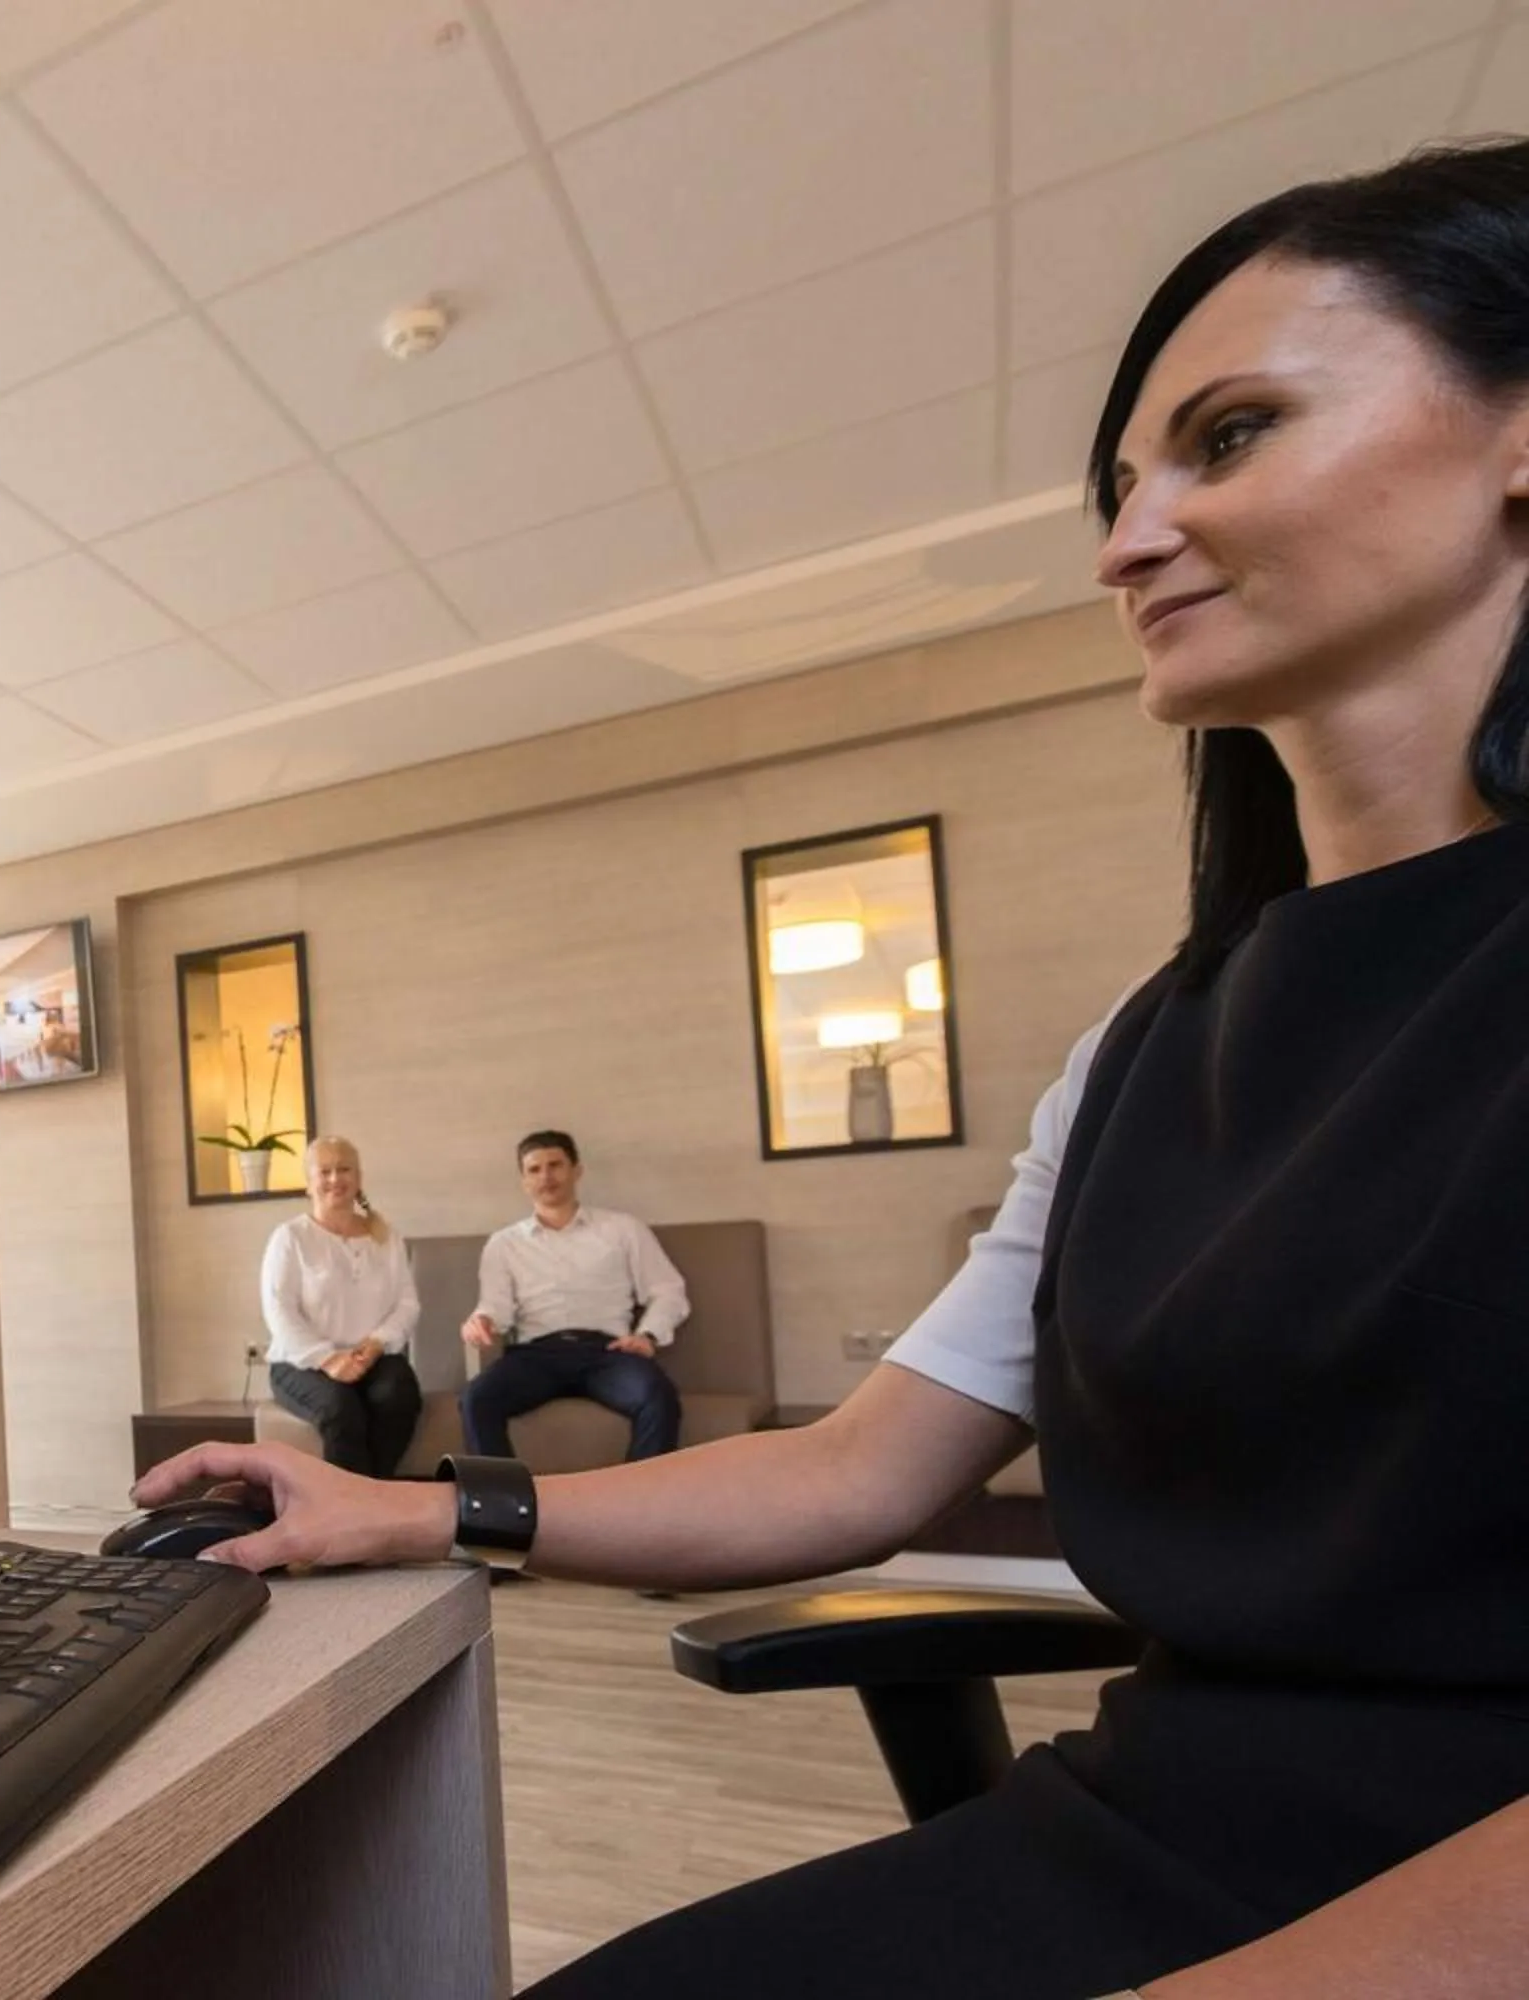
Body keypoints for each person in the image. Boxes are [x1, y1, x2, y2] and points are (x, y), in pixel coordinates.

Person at [136, 139, 1529, 1999]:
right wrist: (408, 1511)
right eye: (1120, 487)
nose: (1126, 542)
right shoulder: (1146, 1049)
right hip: (1159, 1829)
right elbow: (860, 1474)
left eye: (1230, 436)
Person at [458, 1131, 687, 1463]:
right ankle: (503, 1507)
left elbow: (668, 1291)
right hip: (535, 1356)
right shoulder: (503, 1244)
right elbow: (495, 1307)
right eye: (534, 1170)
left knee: (658, 1395)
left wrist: (647, 1335)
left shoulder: (623, 1229)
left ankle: (641, 1505)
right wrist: (480, 1321)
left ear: (576, 1171)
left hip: (607, 1352)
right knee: (476, 1399)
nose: (546, 1177)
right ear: (523, 1180)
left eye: (555, 1165)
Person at [258, 1135, 422, 1477]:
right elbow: (280, 1312)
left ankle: (372, 1494)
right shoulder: (290, 1238)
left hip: (371, 1356)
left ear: (358, 1178)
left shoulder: (386, 1237)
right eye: (325, 1171)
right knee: (340, 1408)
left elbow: (407, 1304)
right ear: (309, 1183)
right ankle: (352, 1509)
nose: (335, 1179)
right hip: (301, 1362)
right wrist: (328, 1359)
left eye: (344, 1169)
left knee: (399, 1394)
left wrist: (377, 1343)